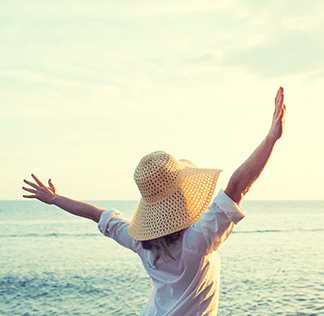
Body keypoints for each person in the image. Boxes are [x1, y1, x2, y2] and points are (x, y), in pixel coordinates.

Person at [22, 87, 286, 315]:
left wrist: (54, 198)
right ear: (184, 198)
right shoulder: (198, 240)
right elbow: (237, 187)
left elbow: (94, 213)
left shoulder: (139, 241)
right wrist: (271, 138)